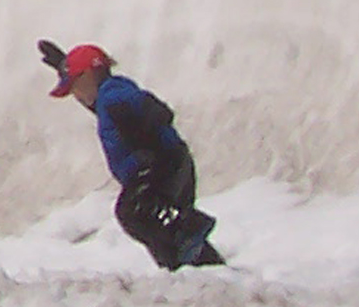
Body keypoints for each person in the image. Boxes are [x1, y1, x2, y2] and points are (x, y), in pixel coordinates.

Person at [40, 40, 223, 269]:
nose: (75, 95)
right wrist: (64, 66)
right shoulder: (107, 97)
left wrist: (151, 128)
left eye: (74, 86)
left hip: (160, 167)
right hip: (165, 165)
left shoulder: (114, 95)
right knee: (153, 221)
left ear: (88, 75)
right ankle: (202, 265)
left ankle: (185, 255)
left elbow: (146, 106)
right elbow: (108, 108)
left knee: (134, 213)